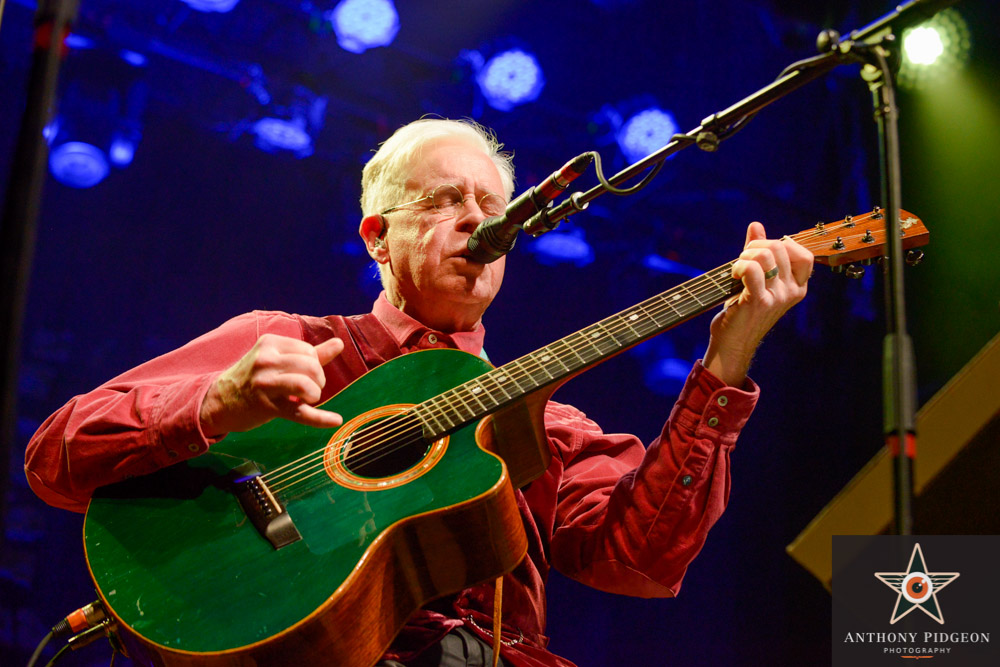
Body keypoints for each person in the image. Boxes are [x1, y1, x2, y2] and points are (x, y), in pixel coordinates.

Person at [24, 118, 813, 666]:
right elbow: (56, 457)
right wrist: (217, 404)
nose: (477, 222)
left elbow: (641, 561)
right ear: (377, 235)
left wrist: (725, 362)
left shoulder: (543, 421)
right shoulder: (292, 343)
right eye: (445, 201)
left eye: (492, 208)